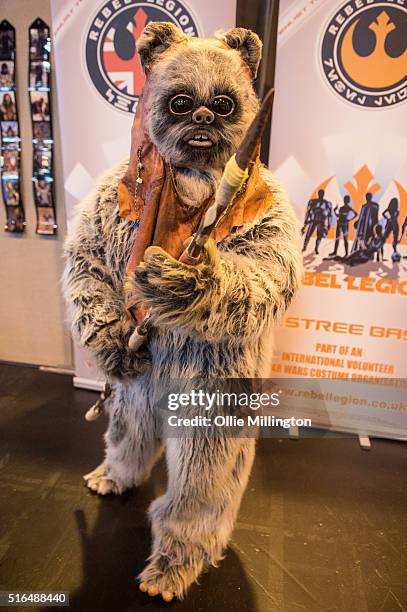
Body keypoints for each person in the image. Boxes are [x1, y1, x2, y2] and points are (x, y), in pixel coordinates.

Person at [63, 23, 302, 602]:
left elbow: (275, 282)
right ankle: (122, 472)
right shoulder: (122, 189)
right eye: (179, 103)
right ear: (153, 106)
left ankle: (184, 553)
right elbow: (84, 261)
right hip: (140, 354)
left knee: (205, 469)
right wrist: (102, 327)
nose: (200, 118)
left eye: (221, 105)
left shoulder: (261, 200)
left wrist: (206, 292)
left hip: (216, 369)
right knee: (130, 421)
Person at [302, 189, 333, 254]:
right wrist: (306, 221)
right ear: (318, 194)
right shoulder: (313, 201)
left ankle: (316, 248)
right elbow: (308, 212)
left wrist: (329, 224)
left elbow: (329, 214)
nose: (320, 195)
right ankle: (305, 246)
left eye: (322, 193)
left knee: (319, 236)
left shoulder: (326, 203)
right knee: (308, 234)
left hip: (321, 221)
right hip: (313, 220)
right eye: (320, 193)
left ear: (323, 194)